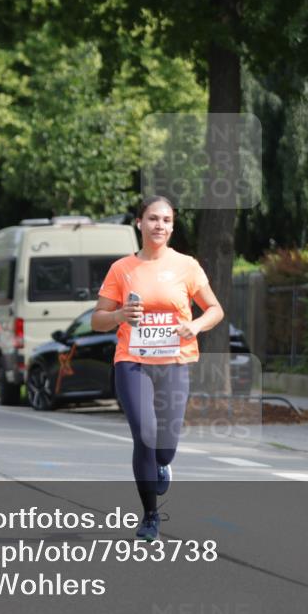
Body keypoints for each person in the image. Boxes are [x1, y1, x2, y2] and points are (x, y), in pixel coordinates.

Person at [92, 196, 224, 541]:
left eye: (166, 220)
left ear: (172, 226)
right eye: (153, 219)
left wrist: (195, 326)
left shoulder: (187, 266)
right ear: (140, 223)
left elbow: (214, 309)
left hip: (174, 363)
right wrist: (120, 316)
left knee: (165, 446)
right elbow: (97, 319)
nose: (159, 226)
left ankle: (163, 463)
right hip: (132, 361)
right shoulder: (122, 269)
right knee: (145, 435)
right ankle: (150, 514)